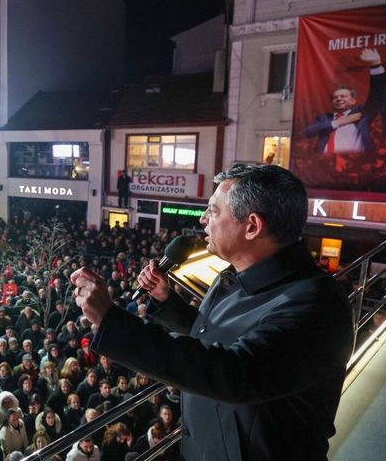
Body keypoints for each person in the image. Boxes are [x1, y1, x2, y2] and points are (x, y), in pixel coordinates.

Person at [72, 164, 354, 460]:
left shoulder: (317, 306)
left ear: (252, 226)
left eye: (214, 211)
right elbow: (219, 338)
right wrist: (168, 302)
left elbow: (237, 371)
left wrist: (111, 320)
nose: (203, 219)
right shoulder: (234, 276)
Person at [304, 48, 386, 154]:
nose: (338, 99)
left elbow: (376, 96)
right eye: (335, 97)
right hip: (325, 162)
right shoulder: (324, 118)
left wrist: (376, 66)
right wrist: (339, 122)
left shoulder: (361, 113)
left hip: (355, 162)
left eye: (343, 96)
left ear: (353, 101)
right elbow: (308, 132)